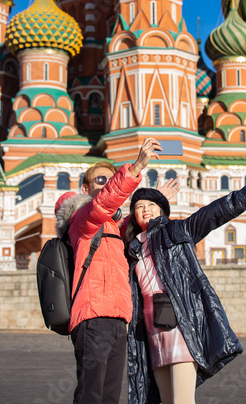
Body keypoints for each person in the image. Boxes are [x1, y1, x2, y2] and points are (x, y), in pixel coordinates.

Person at [124, 171, 246, 404]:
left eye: (152, 204)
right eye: (139, 206)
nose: (146, 209)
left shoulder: (176, 231)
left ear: (162, 210)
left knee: (182, 401)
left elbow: (212, 214)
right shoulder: (133, 249)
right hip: (150, 331)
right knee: (163, 400)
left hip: (180, 324)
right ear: (133, 215)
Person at [54, 138, 178, 404]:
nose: (106, 184)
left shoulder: (112, 228)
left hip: (118, 318)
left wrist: (157, 201)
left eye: (110, 180)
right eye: (101, 180)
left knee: (110, 396)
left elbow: (136, 225)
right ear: (85, 188)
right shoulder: (82, 219)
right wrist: (135, 168)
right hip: (92, 315)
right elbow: (102, 205)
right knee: (91, 395)